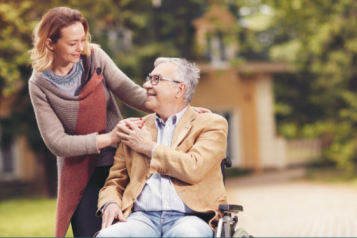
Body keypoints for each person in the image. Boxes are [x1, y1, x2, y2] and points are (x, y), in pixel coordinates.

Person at [28, 7, 207, 237]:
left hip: (119, 161)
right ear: (50, 43)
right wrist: (111, 137)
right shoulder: (39, 84)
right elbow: (57, 143)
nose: (80, 48)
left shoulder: (94, 58)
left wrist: (179, 106)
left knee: (133, 226)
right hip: (81, 171)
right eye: (72, 43)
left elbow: (129, 91)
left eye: (83, 40)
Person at [96, 57, 228, 237]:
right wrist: (110, 202)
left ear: (180, 89)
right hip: (141, 218)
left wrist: (149, 147)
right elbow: (115, 182)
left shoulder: (211, 124)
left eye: (156, 79)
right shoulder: (135, 128)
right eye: (149, 78)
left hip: (190, 218)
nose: (146, 85)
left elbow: (194, 168)